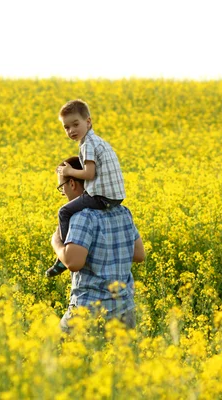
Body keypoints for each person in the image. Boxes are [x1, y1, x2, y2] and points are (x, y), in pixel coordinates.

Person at [50, 156, 145, 332]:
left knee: (56, 353)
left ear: (72, 184)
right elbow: (139, 255)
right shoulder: (123, 212)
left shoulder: (82, 217)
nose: (63, 194)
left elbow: (73, 263)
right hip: (124, 310)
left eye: (61, 188)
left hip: (89, 311)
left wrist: (56, 243)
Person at [45, 99, 126, 278]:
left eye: (75, 124)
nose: (71, 130)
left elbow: (89, 174)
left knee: (64, 212)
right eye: (66, 127)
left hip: (101, 197)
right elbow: (139, 255)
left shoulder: (87, 144)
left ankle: (63, 254)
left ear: (88, 122)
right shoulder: (100, 142)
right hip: (116, 198)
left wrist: (69, 171)